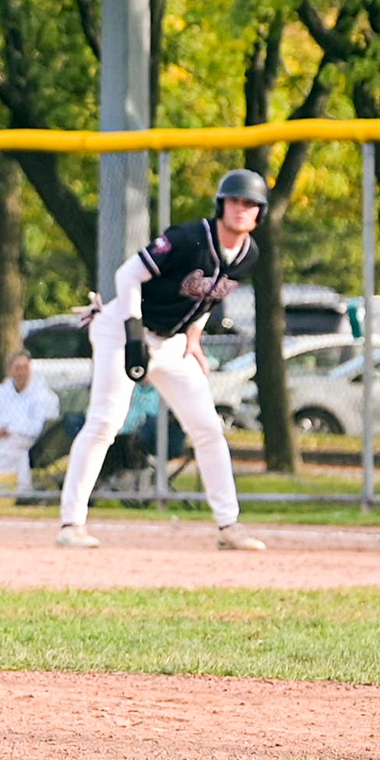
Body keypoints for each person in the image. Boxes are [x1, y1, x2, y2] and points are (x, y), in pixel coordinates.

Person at [57, 169, 268, 550]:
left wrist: (195, 335)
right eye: (235, 200)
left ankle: (229, 526)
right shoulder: (188, 239)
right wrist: (133, 330)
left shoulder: (249, 255)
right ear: (222, 205)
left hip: (172, 344)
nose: (241, 208)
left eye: (250, 203)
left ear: (259, 214)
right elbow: (128, 274)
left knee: (207, 427)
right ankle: (72, 523)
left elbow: (209, 297)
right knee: (106, 421)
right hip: (120, 328)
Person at [0, 351, 60, 490]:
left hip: (27, 440)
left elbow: (36, 426)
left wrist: (11, 431)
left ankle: (6, 489)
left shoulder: (40, 394)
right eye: (17, 368)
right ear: (10, 371)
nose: (21, 372)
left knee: (6, 450)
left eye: (25, 367)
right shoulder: (2, 391)